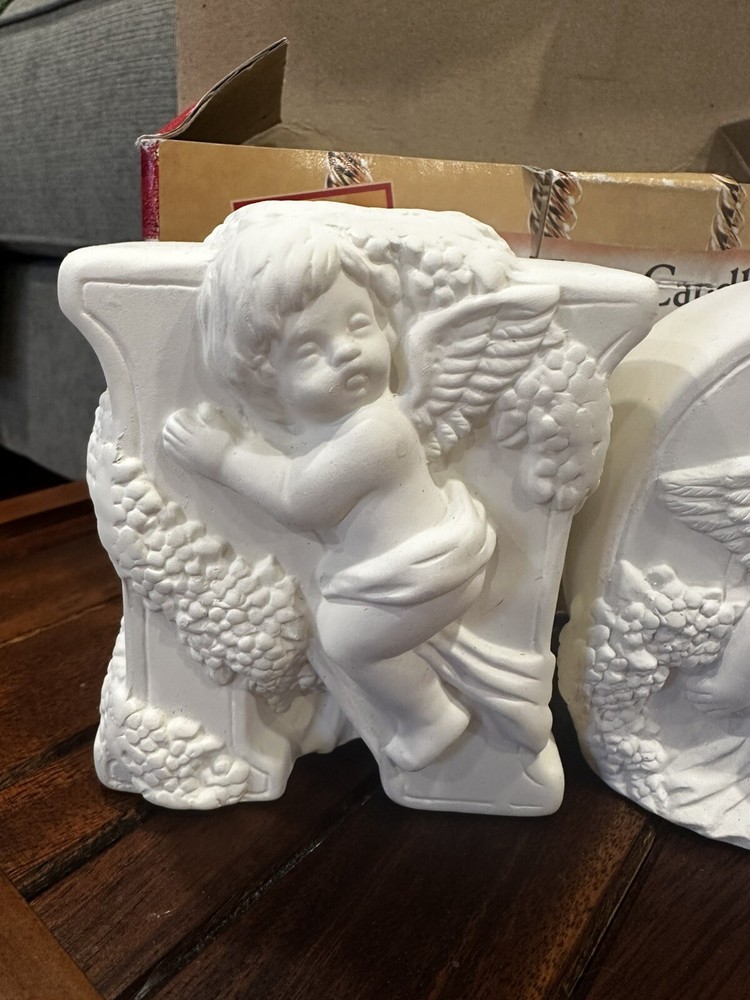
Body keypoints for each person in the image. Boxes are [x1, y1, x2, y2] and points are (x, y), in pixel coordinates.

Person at [163, 211, 497, 771]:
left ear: (387, 328)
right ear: (266, 380)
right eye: (309, 349)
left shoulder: (377, 430)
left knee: (344, 637)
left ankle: (430, 716)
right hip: (387, 571)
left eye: (359, 324)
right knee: (321, 620)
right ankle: (342, 717)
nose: (345, 351)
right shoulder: (339, 426)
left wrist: (221, 457)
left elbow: (298, 499)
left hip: (427, 572)